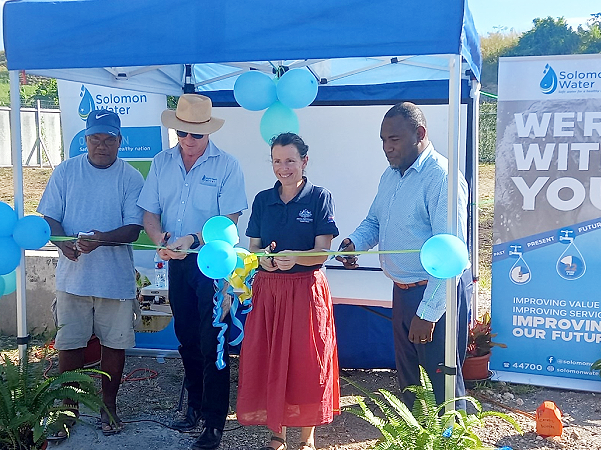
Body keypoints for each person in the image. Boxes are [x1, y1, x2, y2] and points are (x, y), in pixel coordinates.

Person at [337, 102, 472, 409]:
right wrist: (354, 243)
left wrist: (428, 313)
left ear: (419, 134)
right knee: (410, 383)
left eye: (394, 139)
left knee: (442, 385)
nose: (386, 148)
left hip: (435, 294)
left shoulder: (443, 178)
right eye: (383, 140)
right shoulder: (390, 176)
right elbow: (374, 221)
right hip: (403, 292)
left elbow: (451, 253)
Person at [137, 94, 247, 450]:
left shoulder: (227, 165)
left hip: (212, 267)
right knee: (187, 339)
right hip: (178, 264)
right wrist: (160, 238)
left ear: (208, 133)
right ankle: (195, 409)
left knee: (212, 342)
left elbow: (230, 220)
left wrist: (193, 238)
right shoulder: (160, 161)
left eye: (195, 135)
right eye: (182, 133)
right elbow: (149, 214)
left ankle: (215, 423)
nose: (188, 140)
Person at [37, 109, 144, 436]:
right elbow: (49, 219)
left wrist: (102, 239)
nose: (101, 145)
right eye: (95, 138)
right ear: (85, 140)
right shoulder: (66, 172)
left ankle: (108, 407)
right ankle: (67, 410)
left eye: (109, 138)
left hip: (115, 281)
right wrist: (61, 243)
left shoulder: (130, 177)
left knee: (115, 345)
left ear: (119, 142)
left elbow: (133, 230)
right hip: (73, 280)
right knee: (70, 345)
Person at [237, 132, 340, 450]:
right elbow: (253, 247)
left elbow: (323, 251)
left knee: (307, 361)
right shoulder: (262, 200)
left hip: (306, 291)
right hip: (269, 291)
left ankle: (306, 439)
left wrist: (297, 258)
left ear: (304, 162)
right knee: (269, 358)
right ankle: (276, 434)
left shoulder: (319, 197)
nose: (284, 168)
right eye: (277, 161)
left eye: (290, 161)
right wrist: (263, 262)